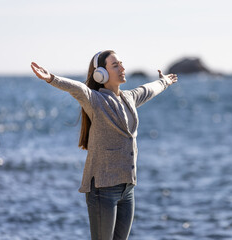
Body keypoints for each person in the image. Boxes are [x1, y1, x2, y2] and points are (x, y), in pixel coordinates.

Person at [30, 50, 178, 240]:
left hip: (127, 189)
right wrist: (51, 78)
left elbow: (148, 89)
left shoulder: (129, 98)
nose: (122, 68)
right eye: (115, 65)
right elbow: (77, 88)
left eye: (121, 64)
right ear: (101, 74)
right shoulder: (95, 100)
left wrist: (164, 82)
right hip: (103, 189)